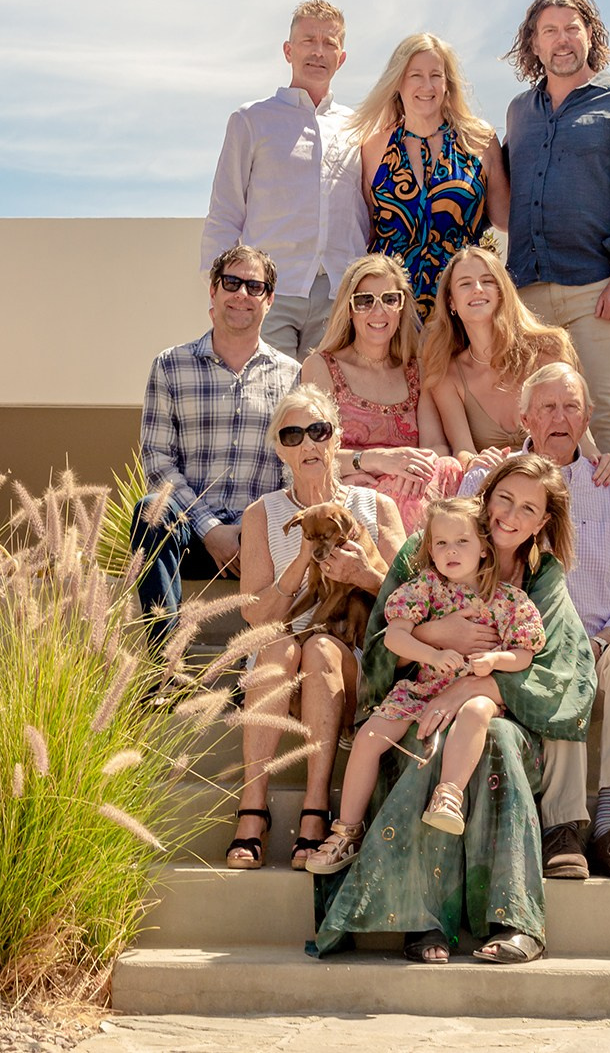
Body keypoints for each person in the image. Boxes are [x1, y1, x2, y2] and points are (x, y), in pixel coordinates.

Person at [314, 452, 594, 966]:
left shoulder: (540, 580)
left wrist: (470, 686)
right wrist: (435, 635)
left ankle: (514, 919)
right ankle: (422, 917)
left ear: (543, 523)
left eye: (528, 509)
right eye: (503, 498)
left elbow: (559, 667)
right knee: (424, 739)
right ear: (485, 498)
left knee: (499, 744)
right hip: (416, 695)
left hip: (503, 712)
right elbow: (384, 639)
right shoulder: (431, 549)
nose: (510, 515)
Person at [457, 360, 610, 881]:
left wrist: (599, 644)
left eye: (571, 406)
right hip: (518, 646)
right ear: (524, 417)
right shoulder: (488, 481)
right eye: (547, 406)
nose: (559, 416)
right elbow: (452, 564)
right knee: (561, 656)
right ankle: (563, 825)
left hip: (602, 645)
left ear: (588, 416)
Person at [304, 496, 543, 875]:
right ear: (429, 549)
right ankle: (347, 830)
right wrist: (430, 655)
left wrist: (496, 660)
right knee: (368, 737)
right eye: (441, 543)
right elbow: (394, 638)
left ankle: (449, 795)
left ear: (484, 547)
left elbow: (524, 653)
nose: (451, 551)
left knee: (477, 711)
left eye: (462, 541)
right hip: (422, 688)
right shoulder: (425, 589)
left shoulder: (507, 600)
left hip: (475, 688)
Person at [228, 385, 405, 871]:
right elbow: (254, 615)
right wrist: (303, 557)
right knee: (278, 648)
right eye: (292, 434)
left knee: (322, 649)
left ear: (336, 437)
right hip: (282, 651)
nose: (307, 443)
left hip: (350, 651)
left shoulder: (375, 508)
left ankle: (314, 808)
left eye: (318, 431)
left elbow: (414, 596)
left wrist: (362, 575)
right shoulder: (262, 514)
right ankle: (253, 807)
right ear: (279, 448)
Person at [493, 0, 610, 491]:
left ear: (591, 35)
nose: (562, 39)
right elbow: (503, 198)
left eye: (572, 28)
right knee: (534, 420)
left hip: (597, 291)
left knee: (608, 414)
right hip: (526, 294)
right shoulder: (519, 112)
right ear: (534, 44)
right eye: (550, 31)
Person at [135, 246, 300, 644]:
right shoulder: (170, 365)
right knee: (150, 512)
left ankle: (254, 673)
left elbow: (293, 466)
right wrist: (210, 529)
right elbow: (157, 462)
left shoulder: (291, 375)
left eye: (254, 286)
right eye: (232, 282)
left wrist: (251, 531)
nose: (242, 293)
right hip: (191, 531)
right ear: (213, 290)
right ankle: (164, 668)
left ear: (270, 299)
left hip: (260, 534)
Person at [201, 0, 367, 360]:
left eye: (329, 43)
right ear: (288, 51)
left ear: (341, 58)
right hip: (269, 293)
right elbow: (225, 212)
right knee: (270, 410)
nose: (318, 51)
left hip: (338, 297)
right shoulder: (251, 120)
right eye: (308, 40)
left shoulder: (358, 127)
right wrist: (219, 290)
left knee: (325, 410)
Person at [420, 245, 610, 486]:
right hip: (499, 497)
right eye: (465, 283)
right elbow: (463, 449)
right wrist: (475, 460)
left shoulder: (549, 350)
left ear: (501, 292)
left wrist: (603, 462)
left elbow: (580, 438)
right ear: (451, 302)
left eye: (487, 281)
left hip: (559, 487)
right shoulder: (448, 375)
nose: (477, 289)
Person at [297, 253, 461, 528]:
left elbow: (436, 445)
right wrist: (378, 461)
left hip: (413, 488)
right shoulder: (321, 367)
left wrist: (412, 470)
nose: (378, 311)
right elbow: (313, 453)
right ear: (348, 309)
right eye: (364, 301)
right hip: (352, 491)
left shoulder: (415, 369)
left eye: (389, 299)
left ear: (401, 307)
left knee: (449, 468)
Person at [349, 33, 502, 320]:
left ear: (448, 84)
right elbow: (367, 231)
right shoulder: (372, 147)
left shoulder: (479, 139)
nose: (427, 85)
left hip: (461, 301)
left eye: (436, 75)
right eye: (415, 75)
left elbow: (506, 218)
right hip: (391, 307)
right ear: (398, 82)